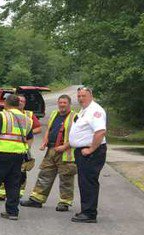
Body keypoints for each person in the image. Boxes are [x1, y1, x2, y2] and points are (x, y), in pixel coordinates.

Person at [21, 95, 77, 211]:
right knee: (44, 174)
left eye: (64, 103)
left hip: (66, 152)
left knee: (66, 178)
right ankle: (36, 199)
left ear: (69, 104)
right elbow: (49, 130)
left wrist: (64, 146)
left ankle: (64, 202)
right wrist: (45, 141)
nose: (62, 105)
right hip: (51, 150)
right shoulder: (54, 114)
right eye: (60, 102)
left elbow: (77, 136)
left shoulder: (75, 117)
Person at [69, 86, 107, 223]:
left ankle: (89, 213)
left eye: (83, 96)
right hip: (83, 151)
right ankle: (86, 210)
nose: (80, 98)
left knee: (88, 181)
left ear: (91, 95)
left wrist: (91, 149)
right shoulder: (85, 110)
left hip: (91, 152)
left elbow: (100, 132)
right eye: (79, 96)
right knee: (84, 181)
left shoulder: (95, 110)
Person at [0, 95, 42, 200]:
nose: (21, 102)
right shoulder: (7, 114)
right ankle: (2, 193)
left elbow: (39, 128)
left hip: (22, 148)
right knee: (4, 171)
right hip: (7, 148)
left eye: (23, 101)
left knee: (21, 171)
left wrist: (26, 134)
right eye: (19, 101)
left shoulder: (29, 115)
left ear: (25, 103)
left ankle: (19, 193)